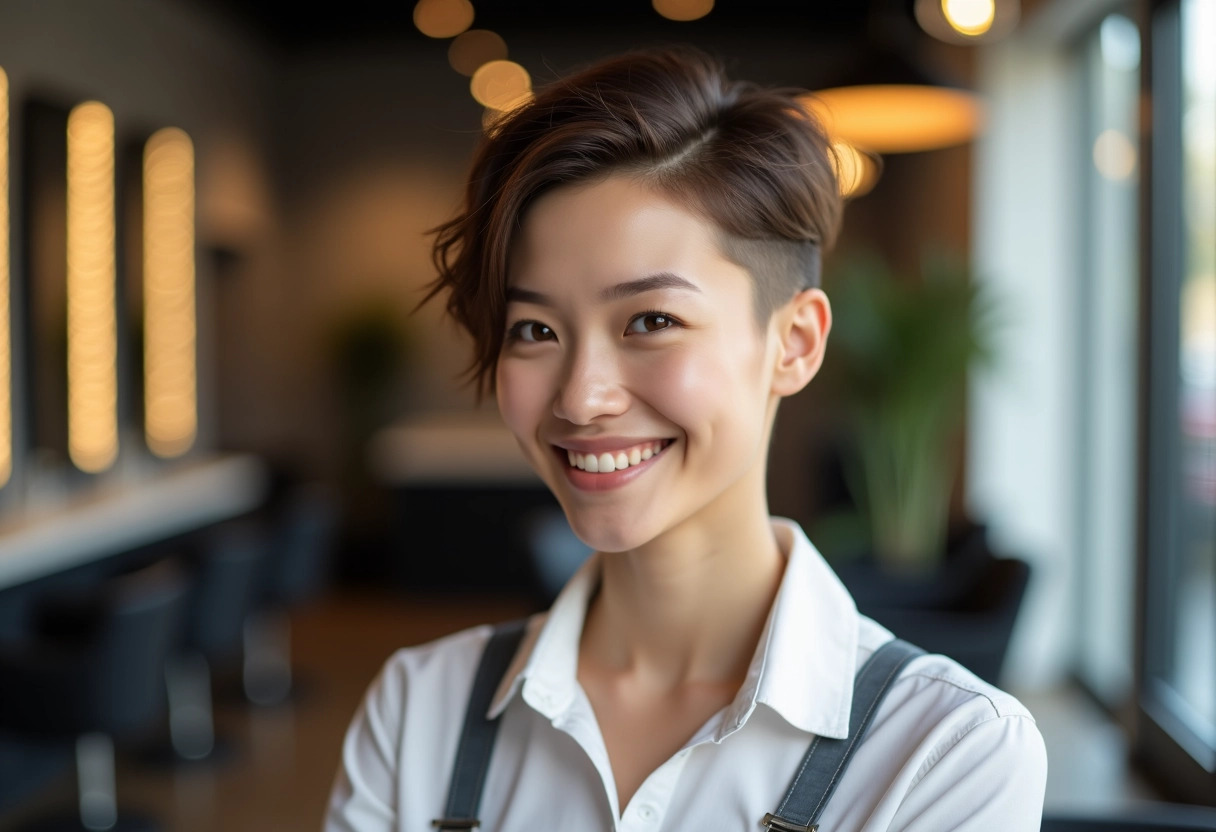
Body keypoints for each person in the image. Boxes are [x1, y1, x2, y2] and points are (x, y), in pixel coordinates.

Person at [324, 46, 1047, 831]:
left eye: (651, 321)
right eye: (533, 329)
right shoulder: (418, 714)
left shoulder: (947, 753)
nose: (582, 397)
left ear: (794, 343)